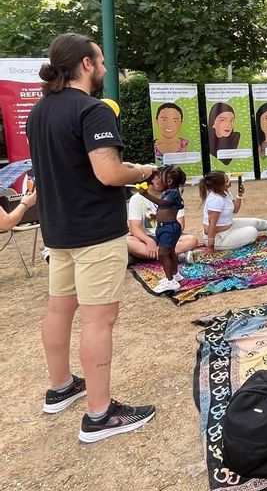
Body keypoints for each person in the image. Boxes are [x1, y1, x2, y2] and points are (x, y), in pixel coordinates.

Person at [26, 33, 157, 443]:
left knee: (59, 309)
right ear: (85, 64)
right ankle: (100, 414)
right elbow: (108, 173)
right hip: (95, 232)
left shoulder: (39, 111)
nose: (104, 69)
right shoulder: (93, 110)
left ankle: (61, 385)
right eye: (100, 62)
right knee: (100, 319)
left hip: (58, 230)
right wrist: (140, 171)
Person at [127, 169, 199, 263]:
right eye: (155, 178)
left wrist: (167, 238)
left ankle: (151, 255)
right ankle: (174, 256)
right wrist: (148, 240)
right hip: (146, 237)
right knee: (128, 241)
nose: (157, 181)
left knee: (192, 240)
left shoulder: (173, 196)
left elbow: (180, 225)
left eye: (161, 179)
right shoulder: (136, 198)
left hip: (168, 235)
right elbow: (134, 227)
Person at [135, 166, 188, 293]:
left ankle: (170, 282)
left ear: (169, 181)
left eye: (159, 178)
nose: (156, 180)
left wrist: (145, 194)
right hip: (165, 227)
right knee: (170, 252)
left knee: (163, 254)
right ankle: (175, 275)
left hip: (169, 228)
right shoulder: (168, 193)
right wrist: (156, 216)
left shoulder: (172, 193)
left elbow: (163, 203)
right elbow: (165, 208)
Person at [200, 170, 267, 253]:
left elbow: (235, 209)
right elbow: (211, 225)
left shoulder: (225, 192)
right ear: (219, 185)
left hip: (230, 226)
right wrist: (210, 248)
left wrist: (239, 195)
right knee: (252, 231)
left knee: (257, 222)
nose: (229, 181)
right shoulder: (216, 199)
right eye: (226, 181)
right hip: (219, 238)